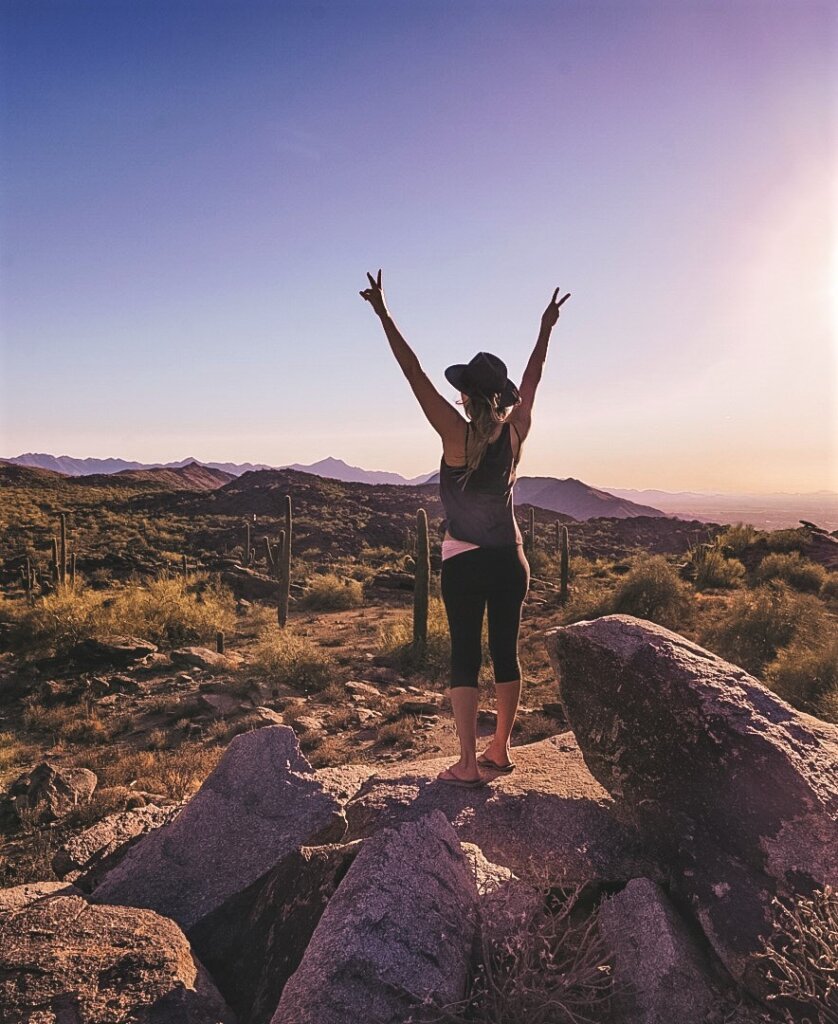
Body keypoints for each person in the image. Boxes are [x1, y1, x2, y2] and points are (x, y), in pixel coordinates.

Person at [359, 269, 569, 788]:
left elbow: (414, 373)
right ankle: (500, 749)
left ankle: (468, 764)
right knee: (505, 651)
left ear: (466, 396)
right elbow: (535, 376)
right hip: (511, 560)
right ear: (501, 398)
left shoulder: (455, 434)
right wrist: (546, 328)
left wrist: (384, 314)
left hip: (464, 560)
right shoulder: (517, 433)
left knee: (463, 655)